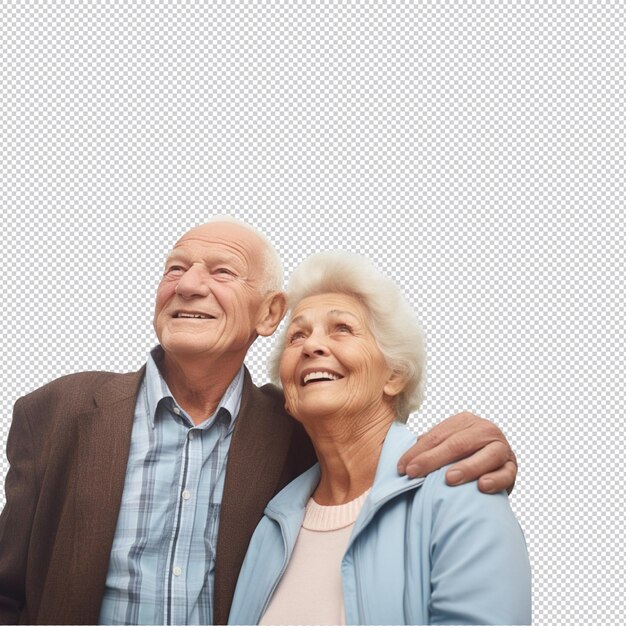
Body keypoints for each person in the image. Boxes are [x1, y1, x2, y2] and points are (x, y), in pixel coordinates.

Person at [0, 218, 518, 625]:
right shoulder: (55, 413)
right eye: (174, 269)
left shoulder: (298, 431)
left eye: (221, 272)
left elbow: (370, 442)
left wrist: (483, 443)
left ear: (268, 315)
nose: (190, 285)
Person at [229, 250, 531, 625]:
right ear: (289, 395)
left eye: (342, 328)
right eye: (297, 336)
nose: (311, 346)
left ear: (395, 375)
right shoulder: (272, 524)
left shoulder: (459, 494)